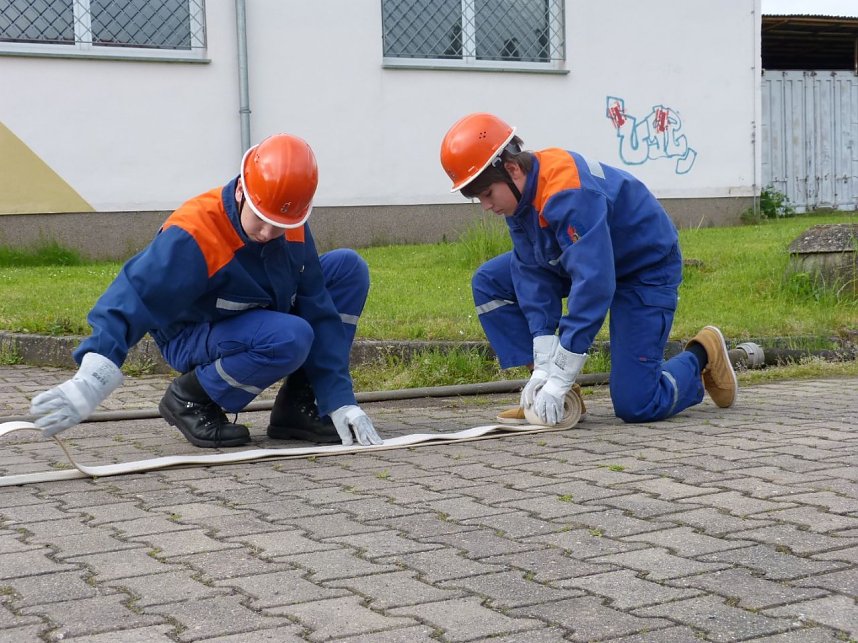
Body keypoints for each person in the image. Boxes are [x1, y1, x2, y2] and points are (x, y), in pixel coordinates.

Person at [30, 133, 383, 449]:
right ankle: (192, 398)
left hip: (256, 318)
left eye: (279, 225)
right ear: (243, 190)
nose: (266, 232)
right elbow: (134, 294)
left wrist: (340, 400)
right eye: (260, 218)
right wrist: (93, 376)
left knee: (347, 270)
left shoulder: (289, 225)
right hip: (191, 333)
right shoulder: (196, 232)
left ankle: (300, 406)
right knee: (290, 336)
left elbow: (318, 307)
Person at [439, 113, 737, 426]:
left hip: (643, 270)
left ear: (512, 169)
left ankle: (703, 354)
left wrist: (563, 370)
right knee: (490, 282)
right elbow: (532, 271)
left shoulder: (568, 192)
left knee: (637, 404)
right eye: (478, 198)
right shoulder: (519, 196)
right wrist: (544, 368)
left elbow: (593, 283)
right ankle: (562, 396)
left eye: (487, 194)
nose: (487, 206)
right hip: (585, 256)